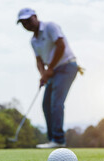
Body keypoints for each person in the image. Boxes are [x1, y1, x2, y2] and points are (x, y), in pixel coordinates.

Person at [17, 8, 80, 148]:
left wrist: (49, 69)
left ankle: (58, 139)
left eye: (28, 20)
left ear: (35, 16)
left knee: (56, 103)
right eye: (23, 23)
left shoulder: (50, 26)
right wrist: (43, 74)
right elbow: (39, 61)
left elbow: (61, 45)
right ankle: (53, 139)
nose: (27, 24)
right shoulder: (33, 41)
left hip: (66, 67)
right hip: (53, 71)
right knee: (46, 104)